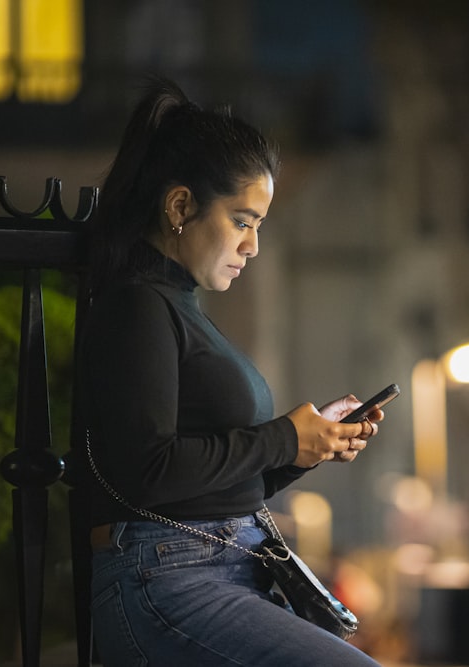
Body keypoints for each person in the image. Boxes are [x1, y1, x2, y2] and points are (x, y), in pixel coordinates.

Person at [78, 77, 384, 666]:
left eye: (260, 226)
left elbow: (207, 482)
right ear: (180, 206)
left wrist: (303, 450)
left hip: (215, 564)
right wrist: (284, 438)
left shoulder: (177, 305)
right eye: (243, 221)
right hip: (164, 580)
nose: (253, 246)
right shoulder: (138, 305)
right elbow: (147, 470)